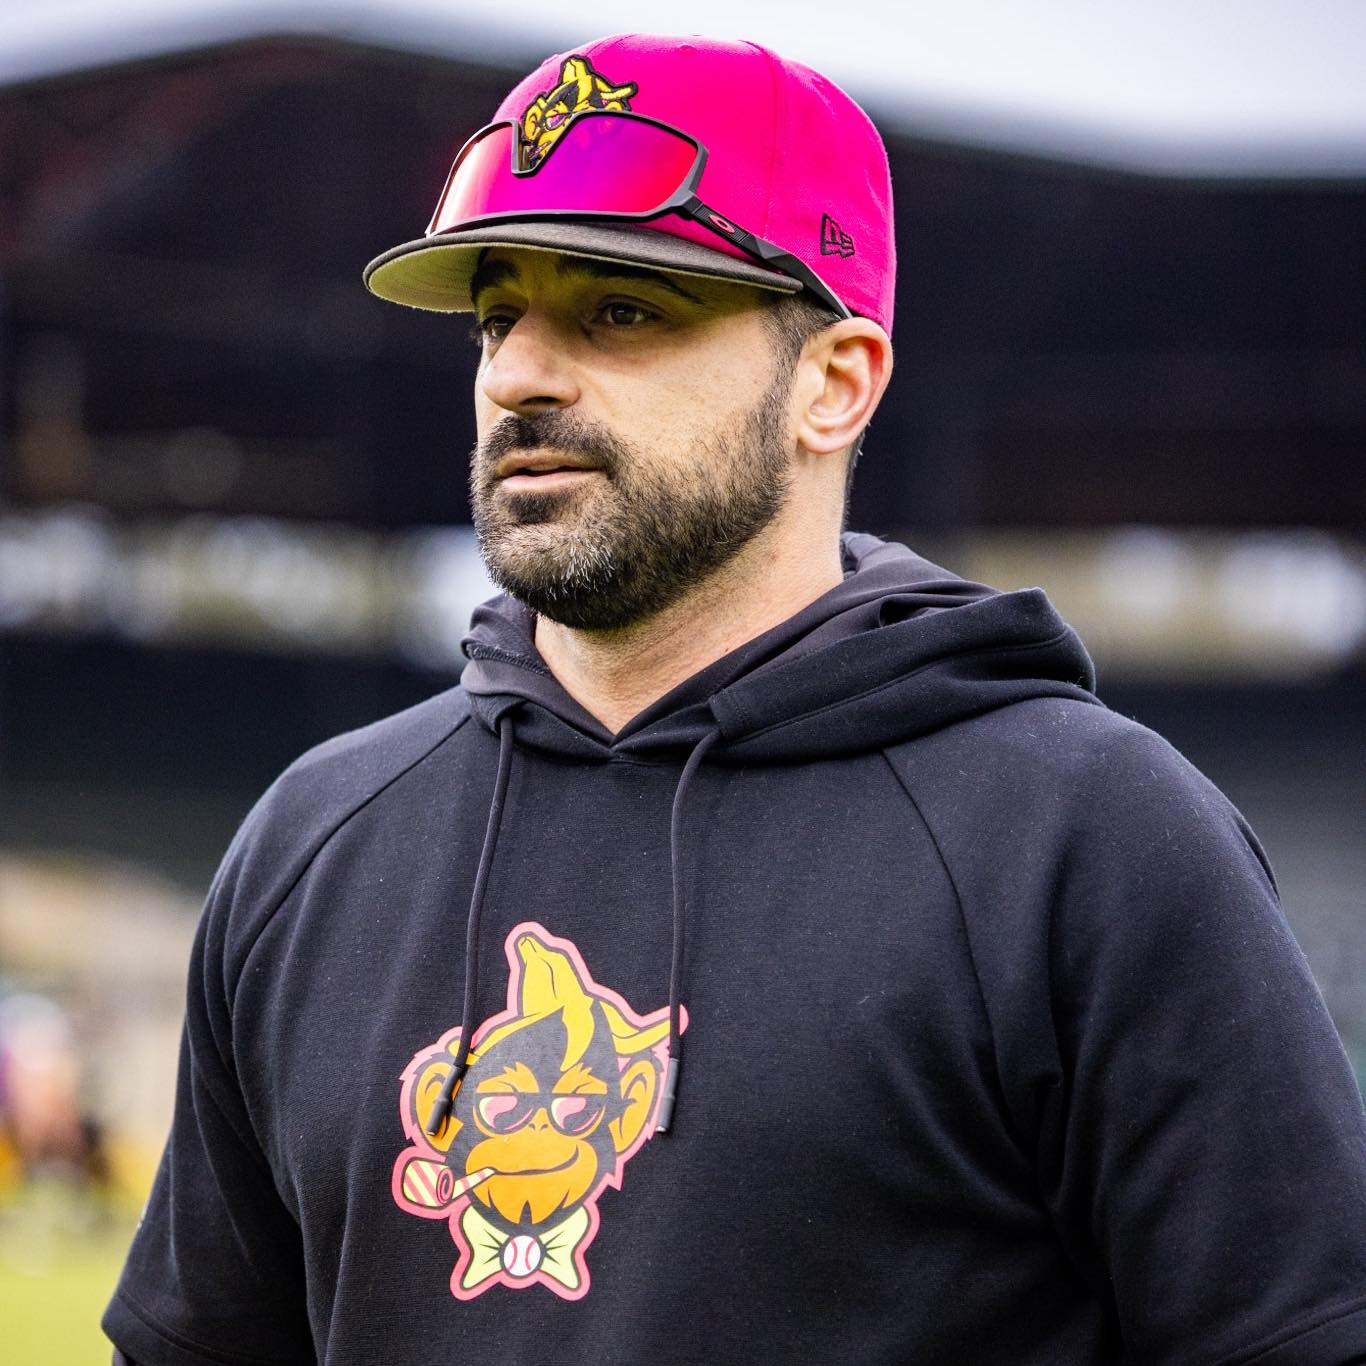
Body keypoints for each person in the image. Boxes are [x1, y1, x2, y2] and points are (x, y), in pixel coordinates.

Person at [104, 33, 1366, 1366]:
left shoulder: (1091, 836)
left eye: (621, 311)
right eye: (497, 315)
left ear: (832, 385)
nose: (519, 373)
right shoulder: (312, 841)